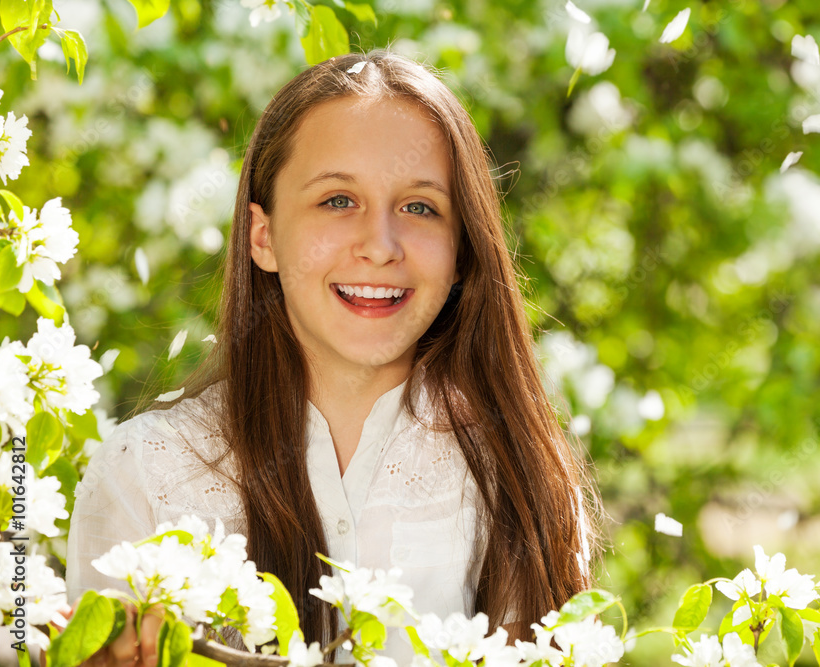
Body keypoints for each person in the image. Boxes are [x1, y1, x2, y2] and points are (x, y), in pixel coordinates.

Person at [64, 49, 602, 664]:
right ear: (262, 236)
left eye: (420, 207)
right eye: (337, 201)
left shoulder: (518, 475)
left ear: (461, 251)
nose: (380, 246)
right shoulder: (145, 477)